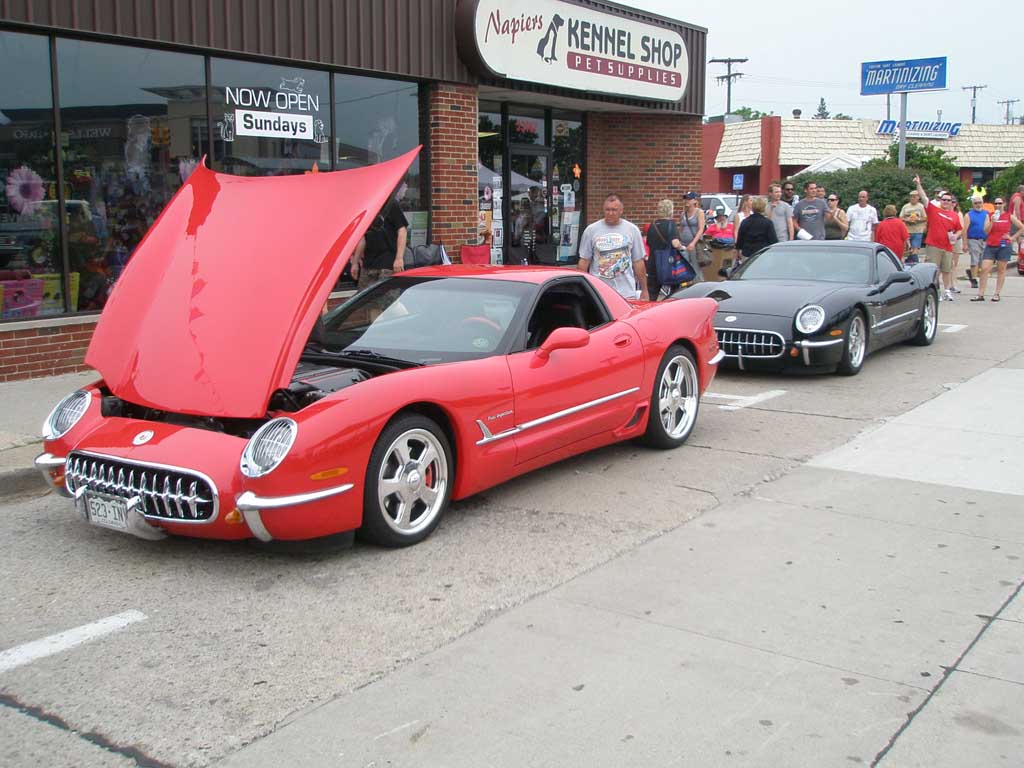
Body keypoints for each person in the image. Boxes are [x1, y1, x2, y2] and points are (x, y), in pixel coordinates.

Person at [577, 193, 648, 300]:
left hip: (626, 292)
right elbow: (584, 261)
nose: (610, 213)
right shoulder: (591, 230)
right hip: (599, 293)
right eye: (607, 209)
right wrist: (580, 289)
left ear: (621, 211)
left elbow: (638, 262)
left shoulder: (632, 230)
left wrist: (644, 290)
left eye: (614, 210)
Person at [915, 175, 962, 301]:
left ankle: (947, 290)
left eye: (948, 200)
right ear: (940, 200)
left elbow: (959, 229)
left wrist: (956, 236)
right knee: (934, 270)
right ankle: (936, 291)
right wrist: (918, 184)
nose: (946, 202)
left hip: (947, 247)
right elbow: (924, 198)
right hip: (934, 245)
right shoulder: (934, 210)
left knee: (947, 270)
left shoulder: (954, 215)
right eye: (944, 200)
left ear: (952, 202)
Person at [350, 196, 408, 289]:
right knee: (365, 300)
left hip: (388, 264)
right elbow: (363, 237)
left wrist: (399, 258)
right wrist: (355, 263)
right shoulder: (366, 205)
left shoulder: (391, 204)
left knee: (386, 301)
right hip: (368, 265)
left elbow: (402, 230)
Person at [973, 198, 1023, 302]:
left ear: (1004, 204)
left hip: (1004, 245)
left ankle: (997, 293)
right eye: (996, 203)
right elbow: (986, 231)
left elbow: (1021, 227)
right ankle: (980, 294)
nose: (998, 205)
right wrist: (992, 221)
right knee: (985, 268)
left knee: (1001, 269)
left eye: (1000, 203)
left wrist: (1012, 238)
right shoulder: (990, 215)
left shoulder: (1009, 216)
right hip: (991, 245)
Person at [646, 198, 686, 300]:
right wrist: (683, 247)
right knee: (675, 291)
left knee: (653, 294)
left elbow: (649, 243)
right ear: (670, 210)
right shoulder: (671, 224)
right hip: (668, 264)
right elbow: (675, 243)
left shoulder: (652, 225)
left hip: (653, 263)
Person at [678, 192, 707, 278]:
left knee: (695, 267)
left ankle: (698, 284)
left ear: (694, 201)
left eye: (689, 199)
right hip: (683, 244)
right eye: (686, 199)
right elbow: (681, 228)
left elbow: (701, 229)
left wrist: (693, 243)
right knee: (685, 267)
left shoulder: (699, 212)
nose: (687, 201)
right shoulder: (683, 214)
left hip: (694, 244)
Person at [964, 195, 989, 288]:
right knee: (975, 259)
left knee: (983, 261)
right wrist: (965, 243)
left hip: (985, 240)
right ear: (973, 204)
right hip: (973, 239)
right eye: (976, 203)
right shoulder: (969, 215)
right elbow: (965, 230)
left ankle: (977, 276)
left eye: (980, 202)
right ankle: (974, 280)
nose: (978, 205)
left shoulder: (986, 214)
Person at [900, 190, 927, 264]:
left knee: (915, 248)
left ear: (918, 197)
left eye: (914, 197)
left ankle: (915, 263)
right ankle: (908, 262)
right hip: (907, 231)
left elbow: (925, 218)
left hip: (918, 231)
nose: (912, 198)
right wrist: (906, 219)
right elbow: (900, 217)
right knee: (907, 249)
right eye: (911, 197)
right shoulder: (905, 206)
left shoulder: (921, 207)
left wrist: (918, 219)